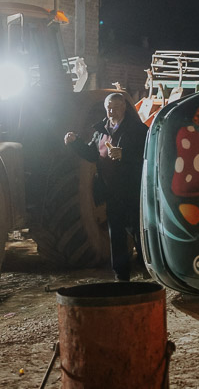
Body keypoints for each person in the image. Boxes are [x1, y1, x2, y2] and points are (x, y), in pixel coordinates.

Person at [64, 92, 148, 281]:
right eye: (109, 107)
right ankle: (121, 276)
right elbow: (93, 155)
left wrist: (124, 155)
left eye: (116, 107)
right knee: (116, 234)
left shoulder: (138, 130)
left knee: (138, 231)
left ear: (124, 107)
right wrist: (75, 144)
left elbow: (147, 155)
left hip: (132, 191)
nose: (112, 111)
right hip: (111, 191)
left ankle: (148, 268)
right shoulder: (100, 131)